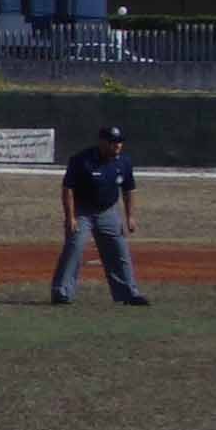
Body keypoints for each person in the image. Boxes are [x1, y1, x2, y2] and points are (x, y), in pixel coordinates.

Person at [51, 126, 148, 306]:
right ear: (102, 142)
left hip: (108, 212)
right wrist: (70, 217)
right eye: (113, 142)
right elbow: (68, 189)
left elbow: (129, 190)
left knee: (119, 250)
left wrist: (130, 217)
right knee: (75, 247)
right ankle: (62, 292)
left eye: (119, 142)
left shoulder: (124, 162)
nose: (117, 146)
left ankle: (129, 293)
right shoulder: (81, 160)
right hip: (82, 211)